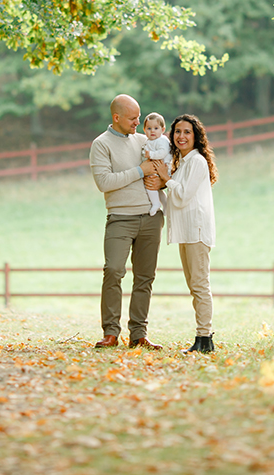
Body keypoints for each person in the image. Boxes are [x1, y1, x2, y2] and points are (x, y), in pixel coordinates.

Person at [88, 94, 164, 350]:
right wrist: (140, 171)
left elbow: (162, 168)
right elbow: (104, 183)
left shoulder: (145, 140)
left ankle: (138, 334)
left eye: (139, 116)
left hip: (151, 218)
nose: (138, 122)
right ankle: (110, 332)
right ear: (116, 117)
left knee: (145, 277)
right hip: (120, 218)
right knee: (113, 270)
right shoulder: (101, 144)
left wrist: (161, 181)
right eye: (133, 118)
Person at [154, 114, 217, 354]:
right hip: (187, 232)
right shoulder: (183, 163)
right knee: (194, 286)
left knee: (200, 285)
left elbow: (181, 196)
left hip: (197, 232)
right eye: (177, 132)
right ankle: (202, 338)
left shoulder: (197, 161)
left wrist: (166, 179)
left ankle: (205, 338)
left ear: (196, 136)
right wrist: (165, 178)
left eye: (187, 132)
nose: (181, 136)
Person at [141, 112, 172, 217]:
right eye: (149, 129)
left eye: (156, 128)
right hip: (157, 167)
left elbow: (162, 153)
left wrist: (150, 154)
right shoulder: (149, 141)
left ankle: (156, 204)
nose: (152, 131)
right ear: (144, 130)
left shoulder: (162, 140)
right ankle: (165, 203)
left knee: (150, 184)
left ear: (163, 130)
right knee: (157, 189)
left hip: (164, 167)